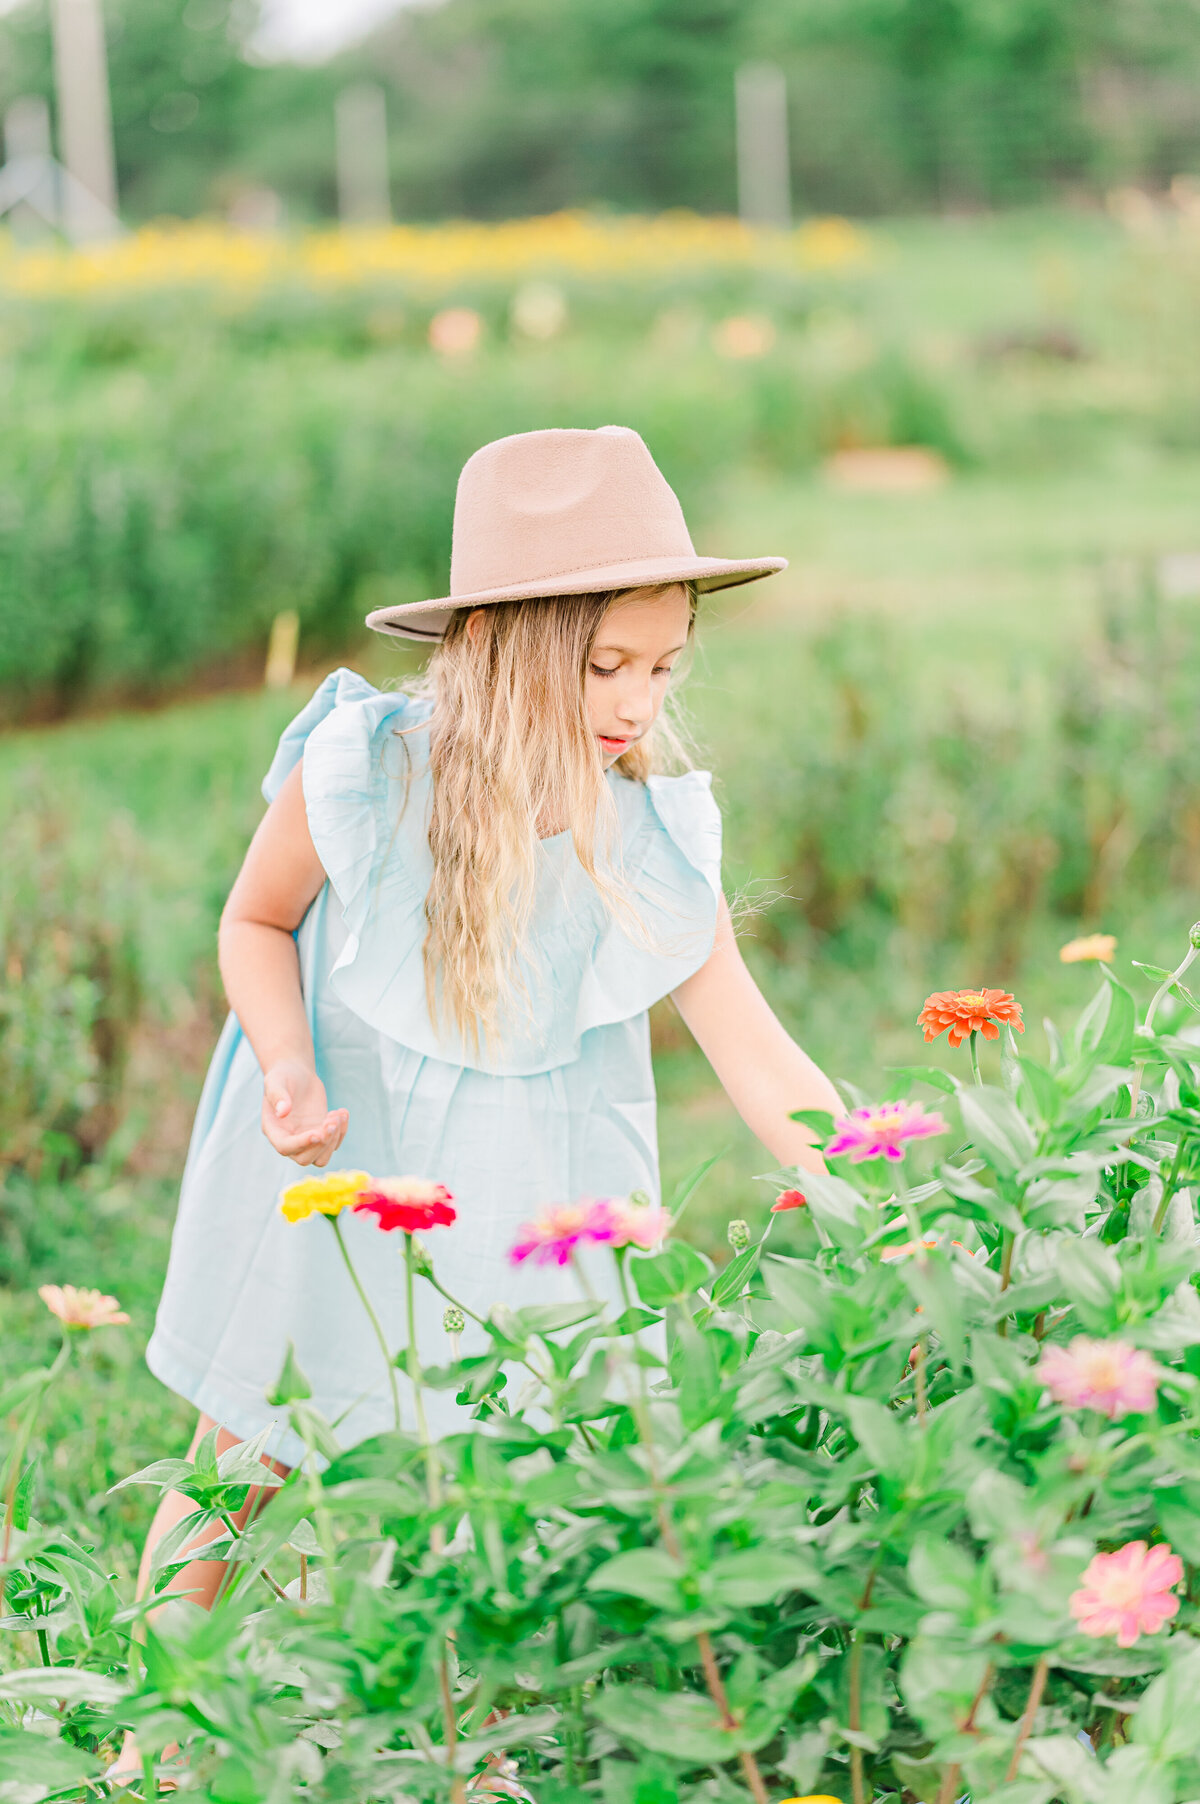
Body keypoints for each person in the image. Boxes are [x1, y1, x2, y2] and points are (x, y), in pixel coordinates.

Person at [110, 425, 842, 1786]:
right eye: (605, 665)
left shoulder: (653, 839)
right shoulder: (367, 772)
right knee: (247, 1446)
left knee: (523, 1470)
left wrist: (891, 1191)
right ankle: (150, 1735)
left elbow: (758, 1056)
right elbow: (253, 921)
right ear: (507, 645)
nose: (637, 702)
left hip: (531, 1187)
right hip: (342, 1148)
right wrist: (283, 1059)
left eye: (664, 664)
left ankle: (476, 1738)